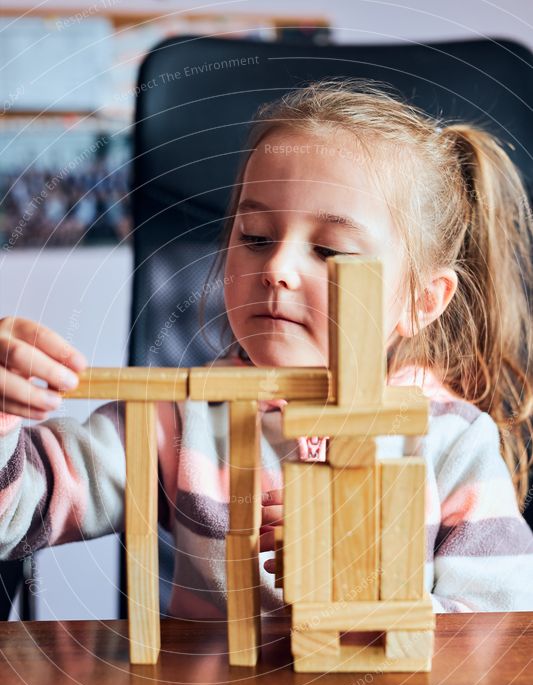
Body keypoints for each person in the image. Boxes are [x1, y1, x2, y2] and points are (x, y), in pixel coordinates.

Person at [1, 78, 533, 618]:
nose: (277, 269)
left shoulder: (453, 443)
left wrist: (363, 597)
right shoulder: (178, 422)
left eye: (329, 249)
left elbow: (501, 636)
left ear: (422, 300)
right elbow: (14, 517)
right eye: (255, 236)